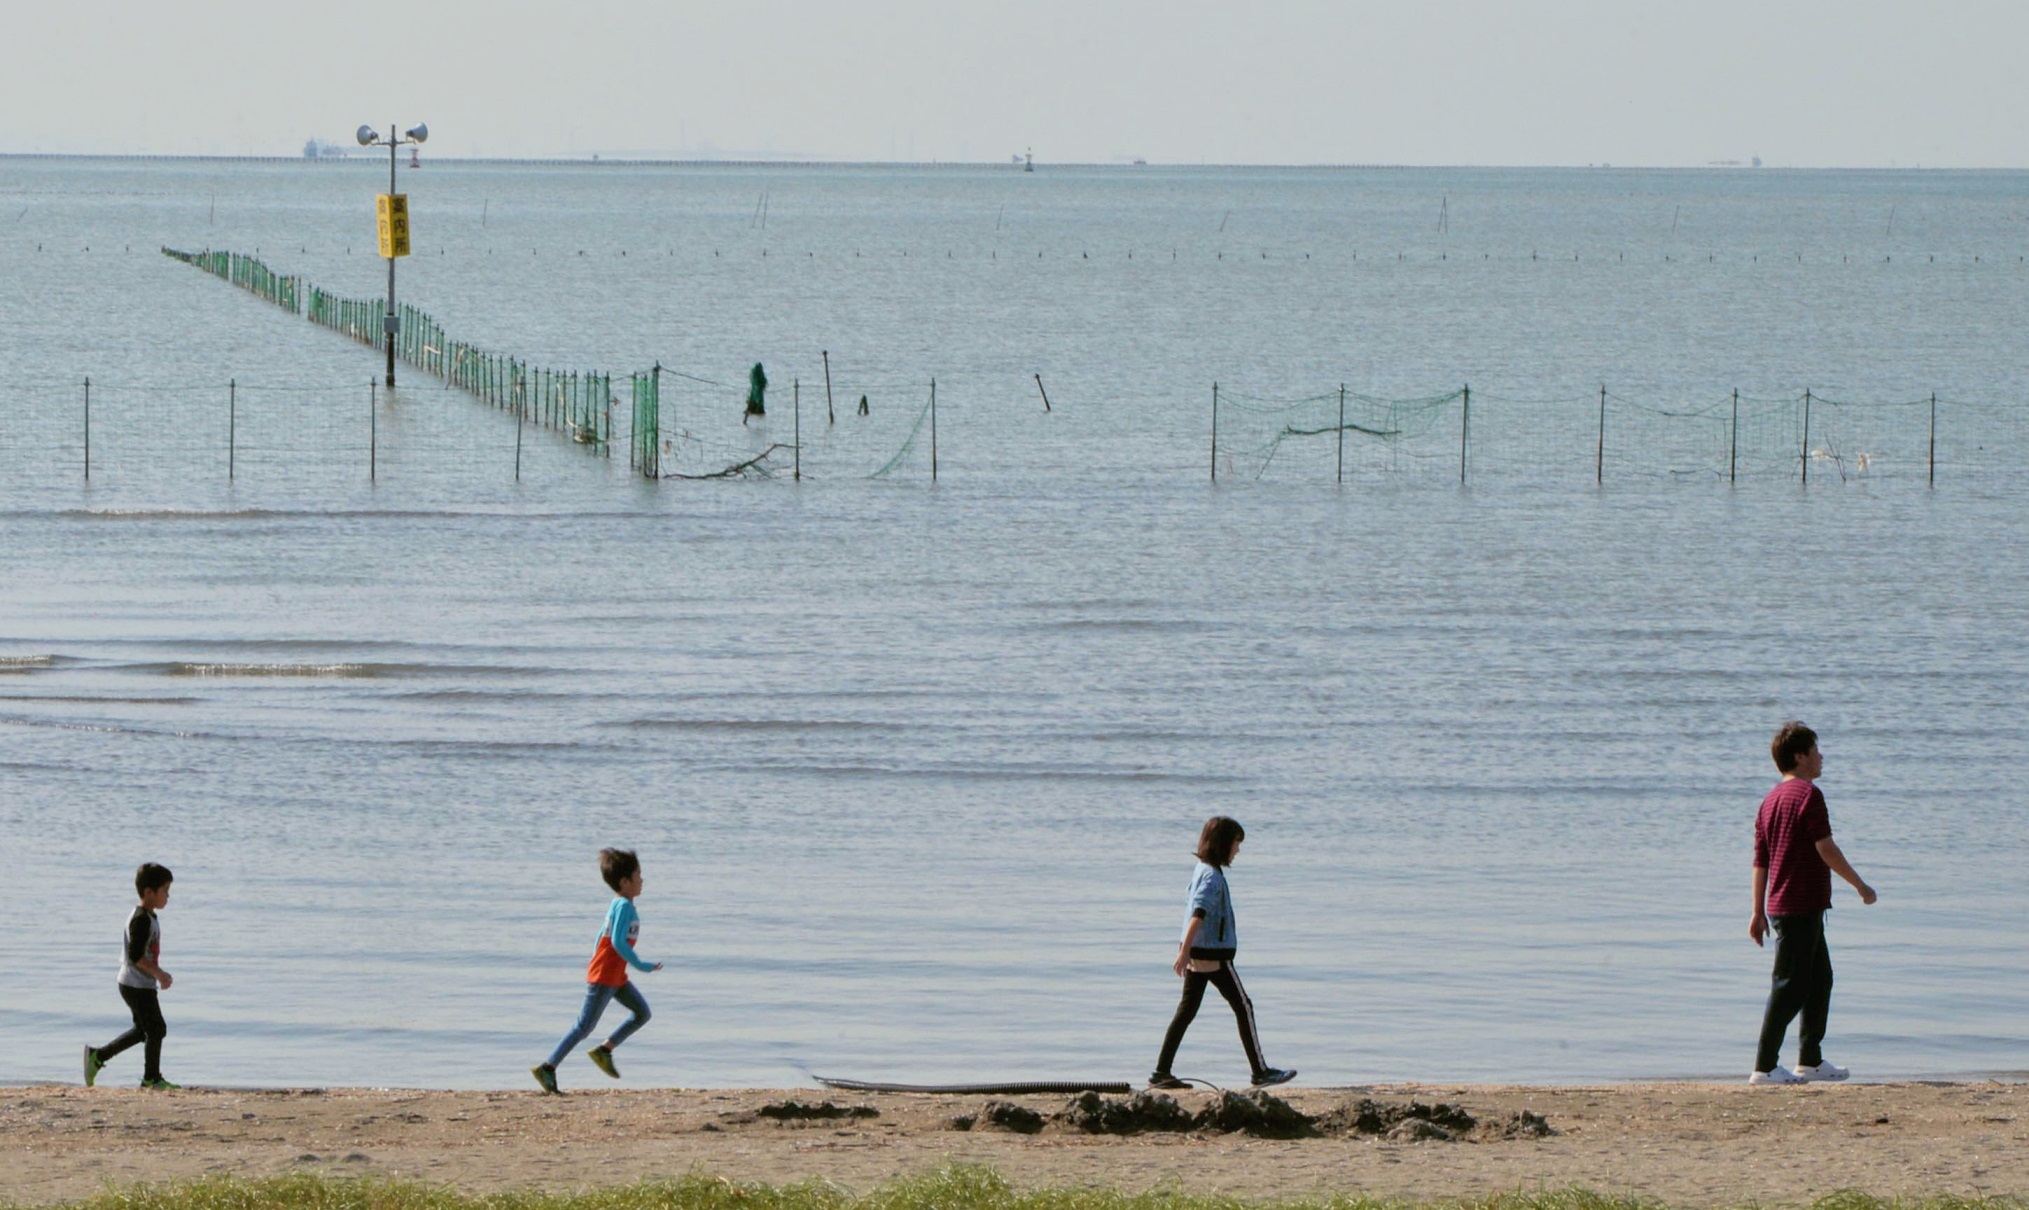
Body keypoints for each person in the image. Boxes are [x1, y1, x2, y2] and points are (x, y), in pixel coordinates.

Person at [1749, 721, 1877, 1085]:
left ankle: (1810, 1060)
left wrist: (1758, 911)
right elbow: (1826, 849)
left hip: (1789, 905)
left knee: (1820, 980)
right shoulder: (1808, 795)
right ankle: (1765, 1066)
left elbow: (1761, 861)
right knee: (1790, 986)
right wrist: (1860, 886)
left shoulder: (1770, 800)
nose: (1822, 757)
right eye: (1816, 751)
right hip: (1798, 904)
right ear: (1800, 756)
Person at [1150, 816, 1295, 1090]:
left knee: (1186, 1012)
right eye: (1236, 844)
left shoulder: (1201, 869)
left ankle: (1161, 1072)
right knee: (1244, 1007)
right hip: (1213, 956)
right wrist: (1184, 952)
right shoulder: (1212, 876)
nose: (1238, 850)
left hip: (1197, 954)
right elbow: (1199, 912)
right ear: (1222, 844)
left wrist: (1185, 950)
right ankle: (1260, 1071)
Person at [533, 848, 662, 1094]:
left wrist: (598, 958)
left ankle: (604, 1050)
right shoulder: (623, 906)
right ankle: (547, 1067)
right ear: (625, 882)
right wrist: (641, 965)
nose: (642, 880)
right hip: (605, 976)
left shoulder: (620, 904)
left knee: (642, 1013)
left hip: (615, 976)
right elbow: (616, 941)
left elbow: (600, 936)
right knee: (584, 1027)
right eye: (638, 875)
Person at [84, 863, 177, 1089]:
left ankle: (98, 1057)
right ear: (148, 892)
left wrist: (156, 974)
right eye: (165, 890)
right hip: (135, 985)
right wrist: (159, 973)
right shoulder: (141, 919)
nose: (168, 896)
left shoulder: (149, 917)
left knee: (142, 1031)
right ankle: (151, 1079)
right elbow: (136, 956)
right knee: (156, 1029)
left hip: (137, 984)